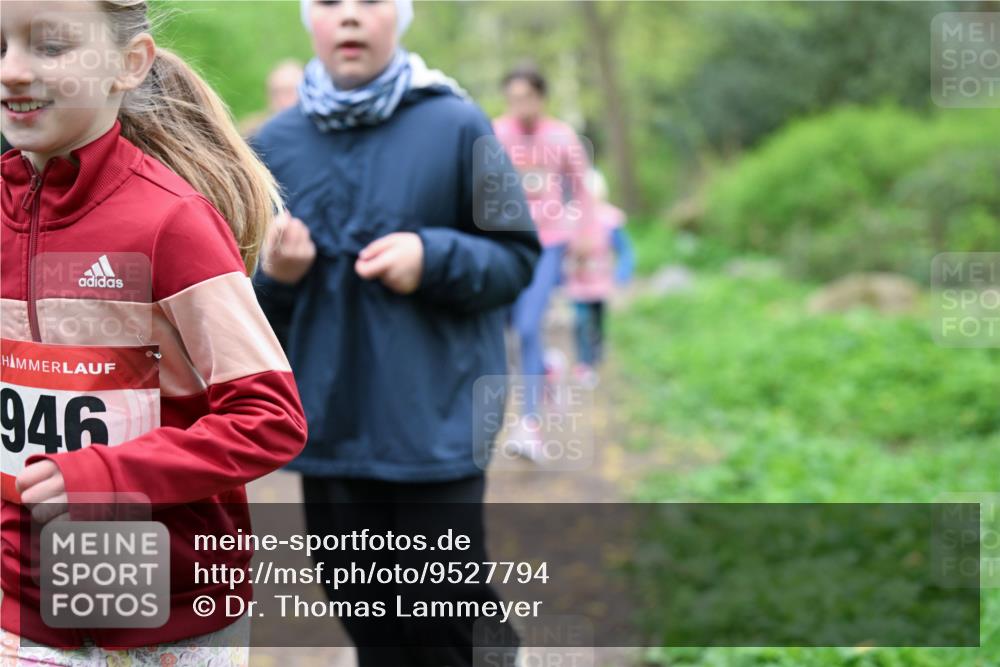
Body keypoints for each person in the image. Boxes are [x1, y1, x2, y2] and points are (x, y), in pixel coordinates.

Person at [0, 1, 307, 663]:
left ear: (128, 65)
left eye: (49, 46)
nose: (14, 71)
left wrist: (107, 474)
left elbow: (271, 418)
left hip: (166, 611)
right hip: (21, 599)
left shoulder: (172, 223)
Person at [251, 1, 539, 665]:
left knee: (448, 619)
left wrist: (432, 257)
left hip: (436, 423)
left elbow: (517, 258)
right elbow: (247, 312)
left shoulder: (460, 124)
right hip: (329, 429)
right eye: (328, 3)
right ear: (308, 20)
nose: (349, 17)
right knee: (369, 623)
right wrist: (278, 275)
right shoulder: (273, 146)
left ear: (401, 17)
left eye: (370, 1)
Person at [493, 65, 596, 459]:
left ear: (541, 98)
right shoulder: (495, 133)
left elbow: (582, 190)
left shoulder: (561, 136)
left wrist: (586, 234)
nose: (520, 105)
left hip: (548, 242)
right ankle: (548, 368)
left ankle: (529, 425)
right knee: (504, 331)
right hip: (504, 243)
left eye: (527, 97)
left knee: (527, 326)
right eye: (513, 98)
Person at [564, 169, 635, 387]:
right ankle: (584, 363)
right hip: (577, 280)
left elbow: (625, 249)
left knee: (597, 319)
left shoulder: (609, 219)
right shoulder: (570, 217)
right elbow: (559, 248)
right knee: (581, 320)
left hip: (600, 280)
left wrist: (623, 272)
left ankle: (597, 349)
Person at [240, 59, 304, 137]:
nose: (281, 99)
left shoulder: (318, 128)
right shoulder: (253, 133)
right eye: (275, 92)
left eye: (288, 91)